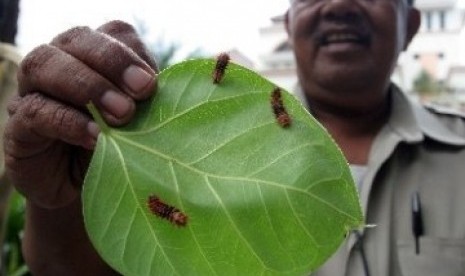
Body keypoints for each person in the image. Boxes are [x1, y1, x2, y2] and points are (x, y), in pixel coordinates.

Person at [3, 0, 465, 275]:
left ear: (413, 25)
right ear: (288, 23)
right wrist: (63, 199)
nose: (338, 3)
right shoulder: (196, 134)